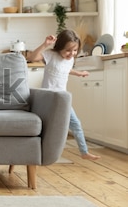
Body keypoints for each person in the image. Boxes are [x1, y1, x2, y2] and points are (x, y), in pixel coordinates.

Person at [27, 29, 101, 160]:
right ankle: (35, 151)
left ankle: (84, 152)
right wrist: (45, 44)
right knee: (44, 126)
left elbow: (65, 69)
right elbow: (31, 58)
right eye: (68, 50)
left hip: (63, 99)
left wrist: (78, 73)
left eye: (74, 51)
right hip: (48, 98)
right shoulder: (50, 55)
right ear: (59, 47)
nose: (71, 54)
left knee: (76, 124)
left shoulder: (70, 59)